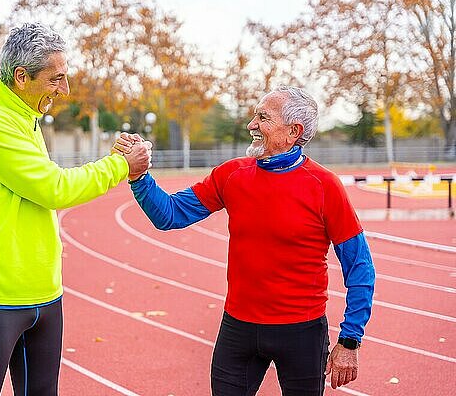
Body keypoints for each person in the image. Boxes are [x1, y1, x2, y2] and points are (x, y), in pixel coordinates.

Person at [124, 85, 375, 395]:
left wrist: (350, 340)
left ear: (292, 131)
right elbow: (169, 215)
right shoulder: (232, 175)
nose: (251, 125)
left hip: (302, 333)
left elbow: (360, 266)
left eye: (263, 118)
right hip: (238, 330)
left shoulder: (325, 186)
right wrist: (139, 177)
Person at [0, 23, 151, 396]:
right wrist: (120, 166)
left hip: (44, 292)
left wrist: (115, 161)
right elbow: (53, 188)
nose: (65, 90)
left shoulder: (26, 118)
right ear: (21, 77)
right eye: (56, 79)